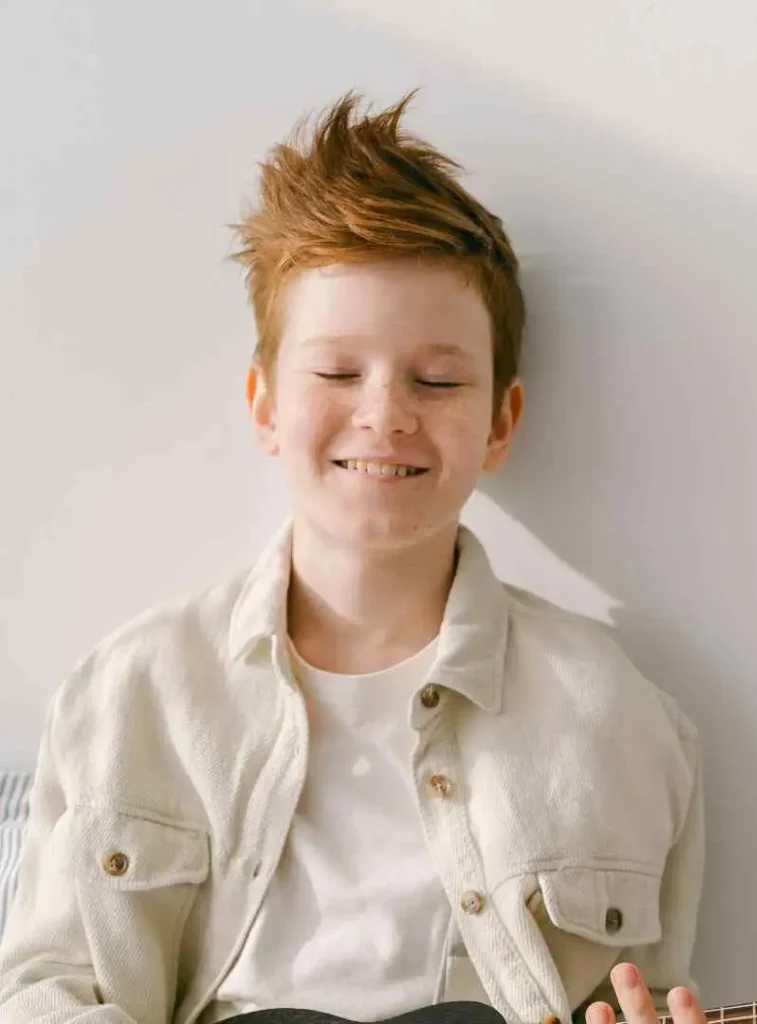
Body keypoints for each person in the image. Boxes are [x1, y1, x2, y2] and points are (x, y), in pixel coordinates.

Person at [0, 91, 707, 1024]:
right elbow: (43, 997)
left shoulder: (621, 723)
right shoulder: (126, 696)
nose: (385, 414)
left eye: (439, 379)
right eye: (337, 372)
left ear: (500, 420)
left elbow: (643, 993)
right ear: (264, 404)